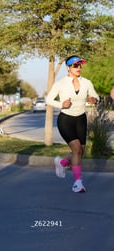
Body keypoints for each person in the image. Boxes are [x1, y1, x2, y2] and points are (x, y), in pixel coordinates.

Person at [46, 55, 99, 193]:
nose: (78, 68)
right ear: (68, 67)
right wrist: (61, 104)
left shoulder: (87, 82)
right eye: (75, 66)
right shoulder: (60, 83)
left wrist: (94, 99)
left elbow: (95, 95)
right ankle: (78, 183)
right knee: (76, 149)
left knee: (80, 151)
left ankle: (62, 162)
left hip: (81, 119)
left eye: (80, 65)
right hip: (66, 120)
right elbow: (49, 99)